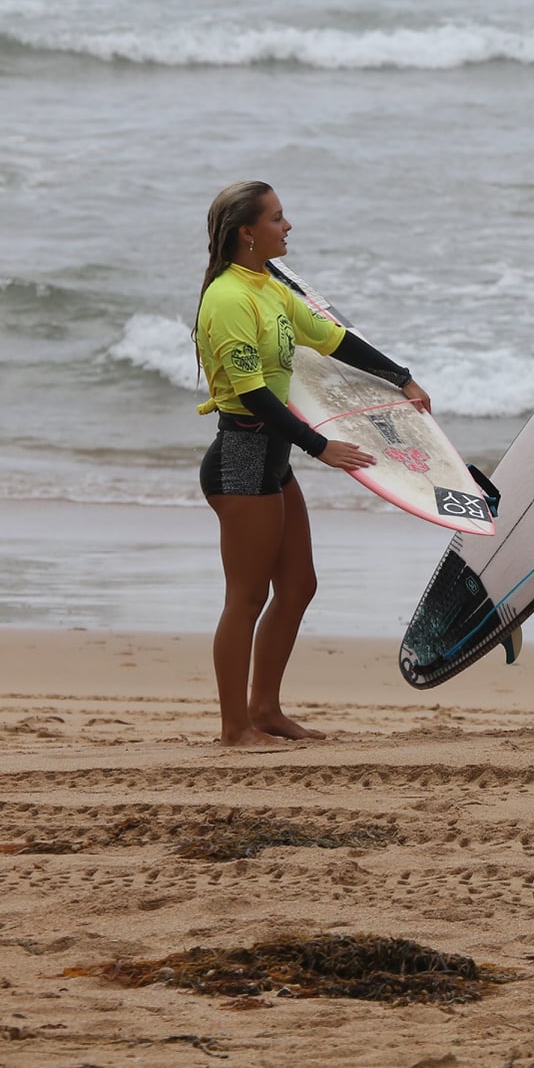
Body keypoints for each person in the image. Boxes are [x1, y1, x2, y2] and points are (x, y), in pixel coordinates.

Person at [194, 181, 428, 747]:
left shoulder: (270, 289)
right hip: (242, 461)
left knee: (298, 585)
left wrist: (401, 378)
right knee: (246, 599)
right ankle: (234, 728)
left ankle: (265, 710)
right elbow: (253, 394)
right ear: (248, 232)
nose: (288, 226)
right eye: (277, 218)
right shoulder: (228, 299)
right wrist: (319, 446)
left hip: (272, 462)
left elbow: (333, 339)